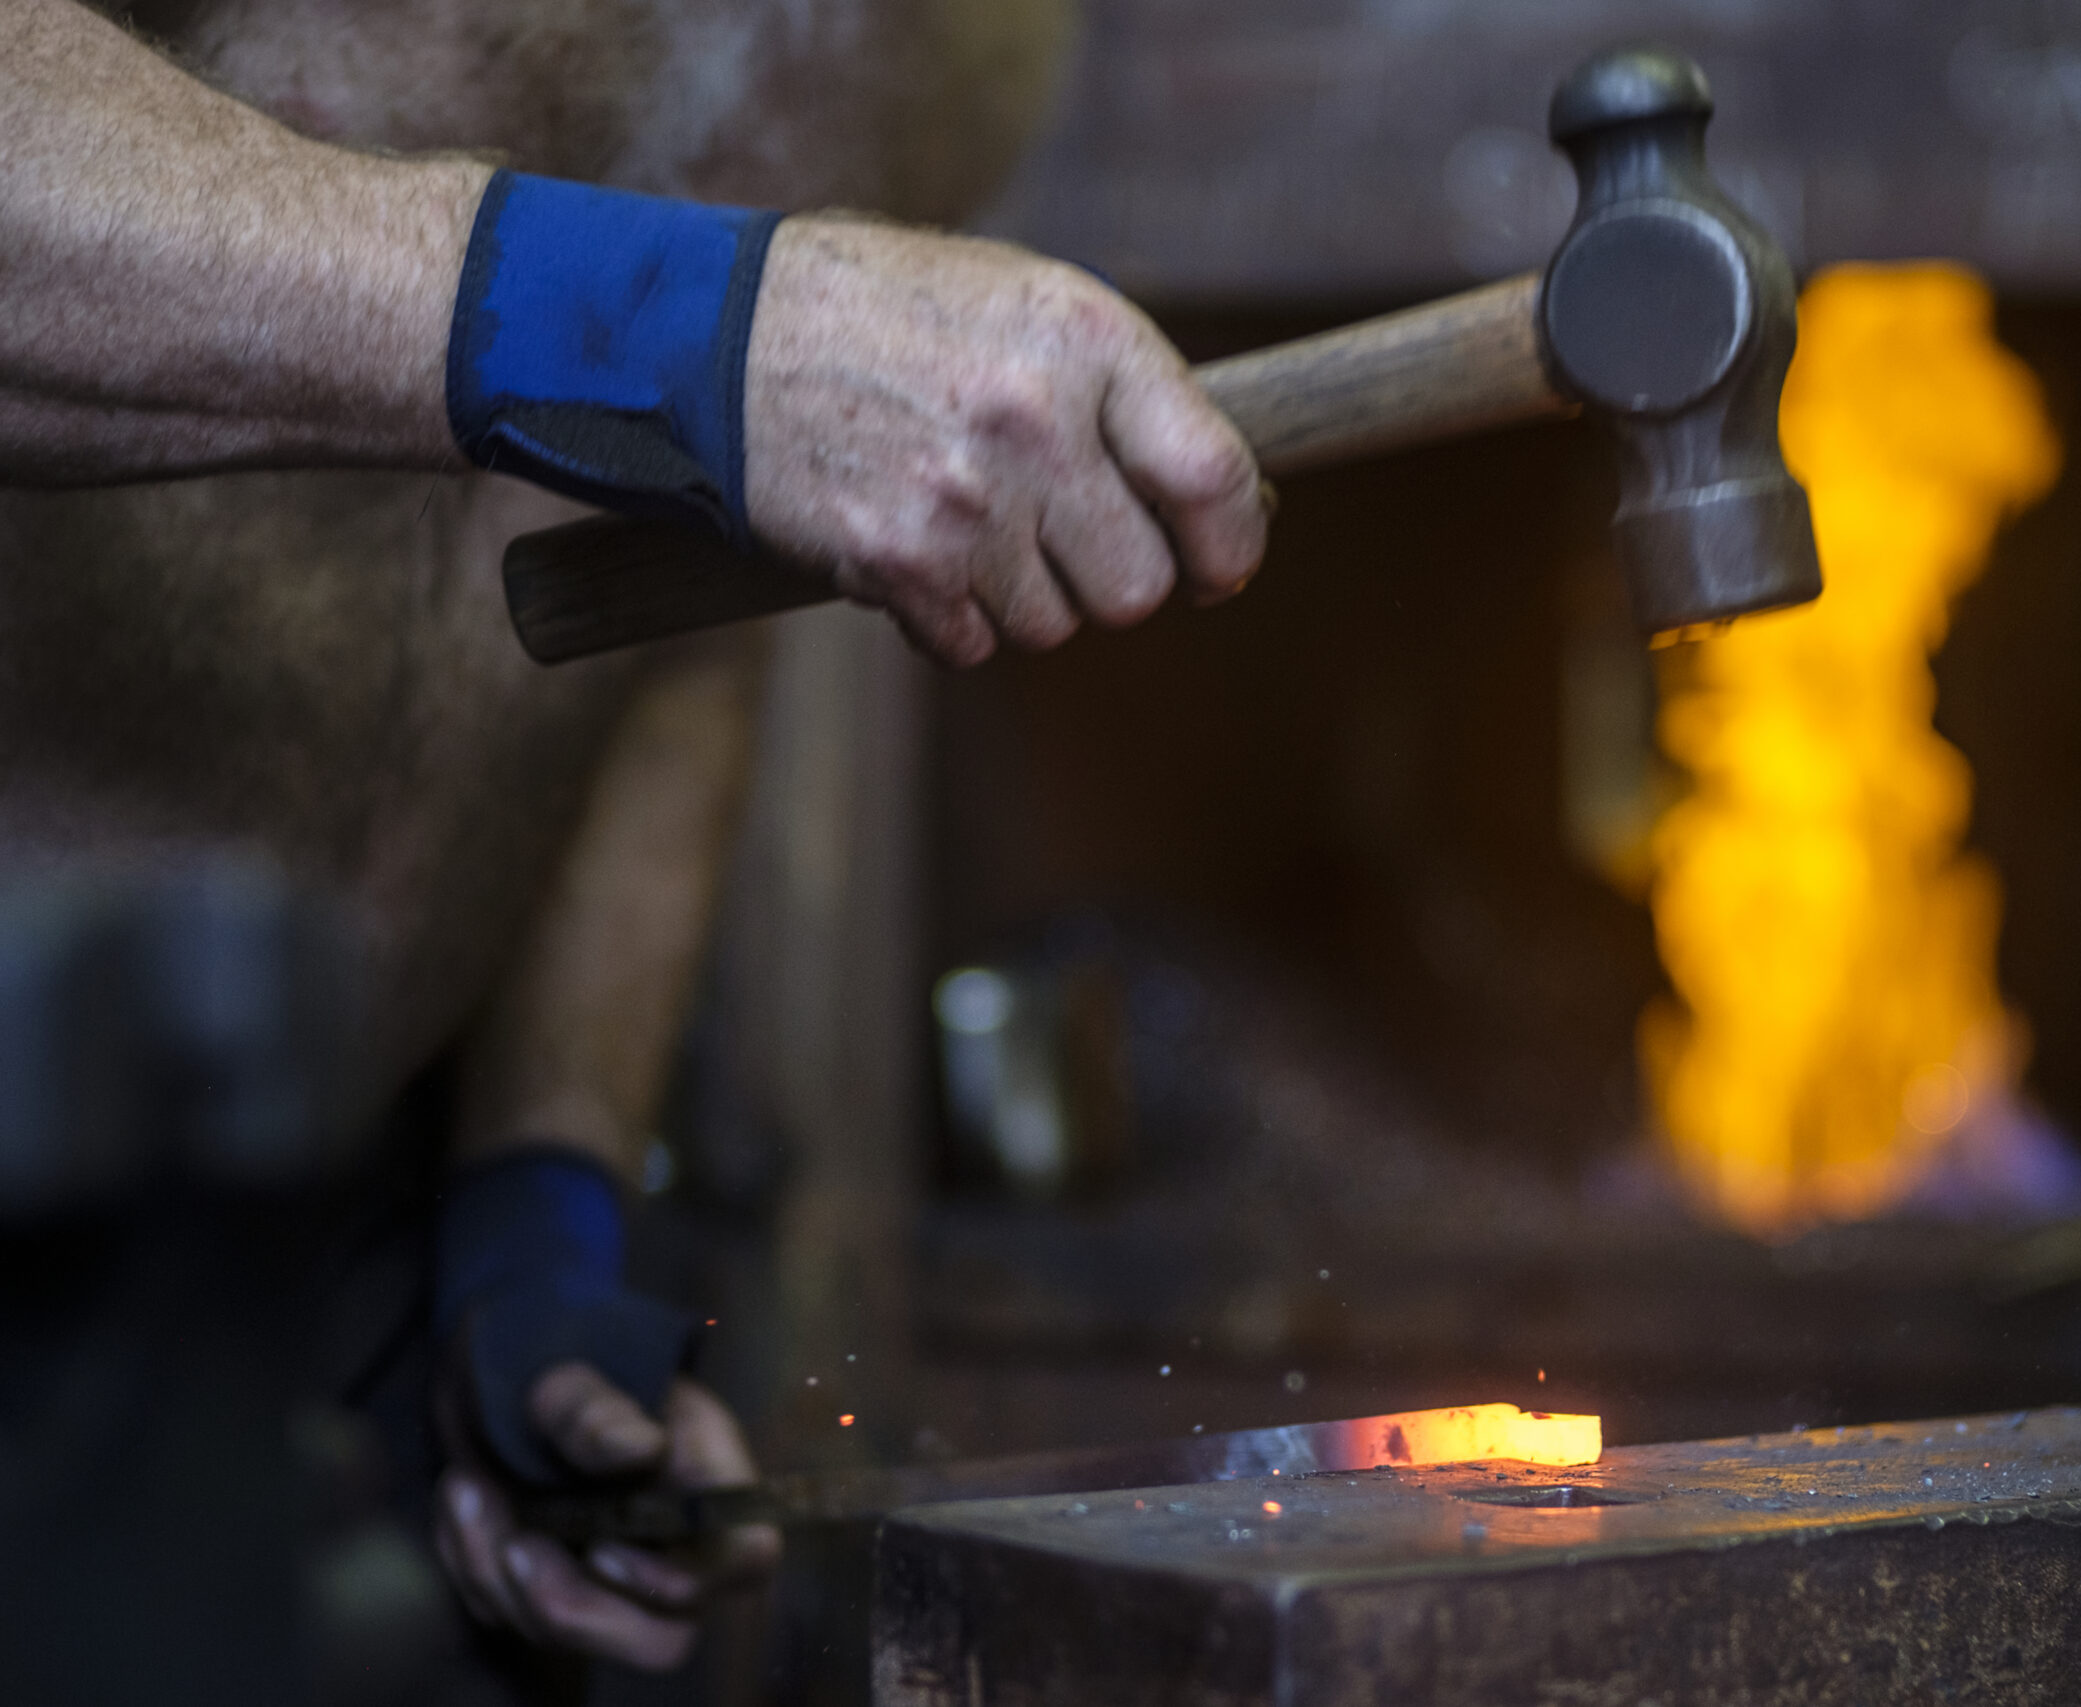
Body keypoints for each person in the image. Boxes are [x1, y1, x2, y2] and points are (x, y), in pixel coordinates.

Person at [0, 0, 1268, 1677]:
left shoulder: (989, 35)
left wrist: (540, 1212)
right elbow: (720, 370)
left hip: (330, 1239)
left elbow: (677, 598)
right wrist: (688, 327)